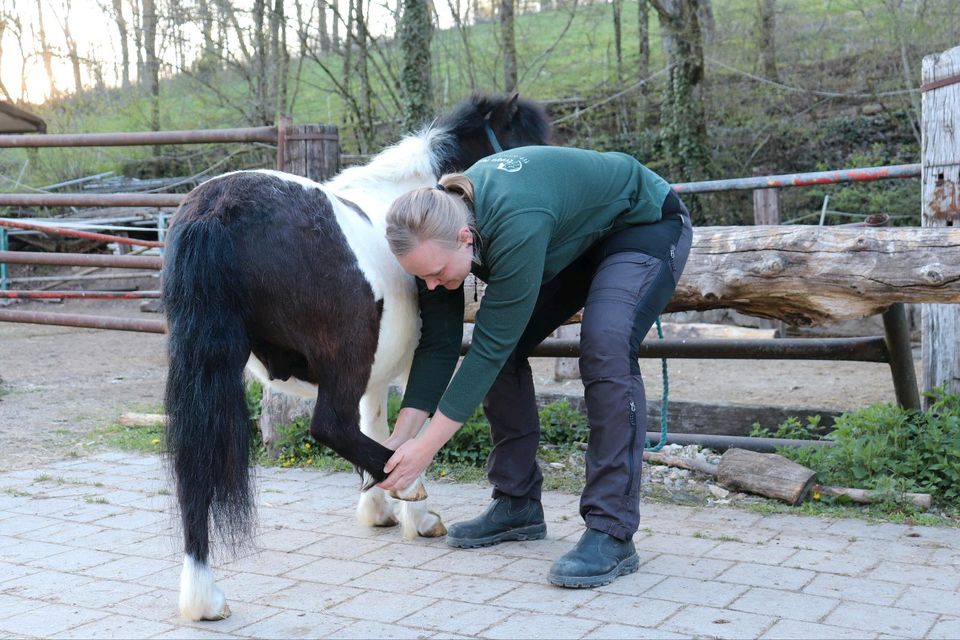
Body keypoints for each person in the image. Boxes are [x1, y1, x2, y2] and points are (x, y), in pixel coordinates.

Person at [378, 145, 693, 588]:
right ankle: (517, 502)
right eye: (422, 277)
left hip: (642, 225)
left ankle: (612, 530)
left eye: (435, 274)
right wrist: (401, 437)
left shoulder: (514, 221)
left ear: (466, 239)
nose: (431, 285)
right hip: (573, 241)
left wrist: (426, 448)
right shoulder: (435, 236)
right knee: (504, 355)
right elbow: (439, 345)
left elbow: (488, 346)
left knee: (605, 345)